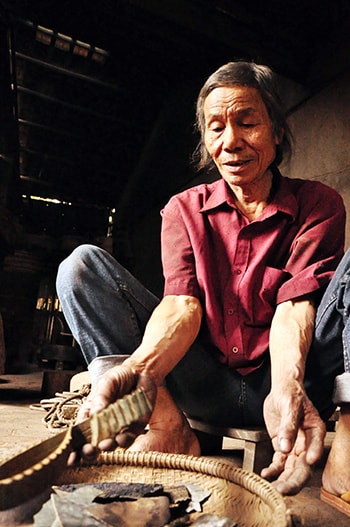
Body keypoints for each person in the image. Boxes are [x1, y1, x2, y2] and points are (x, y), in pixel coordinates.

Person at [56, 61, 350, 511]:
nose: (230, 141)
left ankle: (349, 435)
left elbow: (297, 305)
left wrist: (287, 384)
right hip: (202, 381)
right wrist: (144, 371)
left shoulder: (318, 203)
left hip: (289, 385)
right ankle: (168, 424)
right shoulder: (184, 209)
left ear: (276, 131)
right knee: (81, 268)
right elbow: (182, 306)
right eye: (216, 128)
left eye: (248, 122)